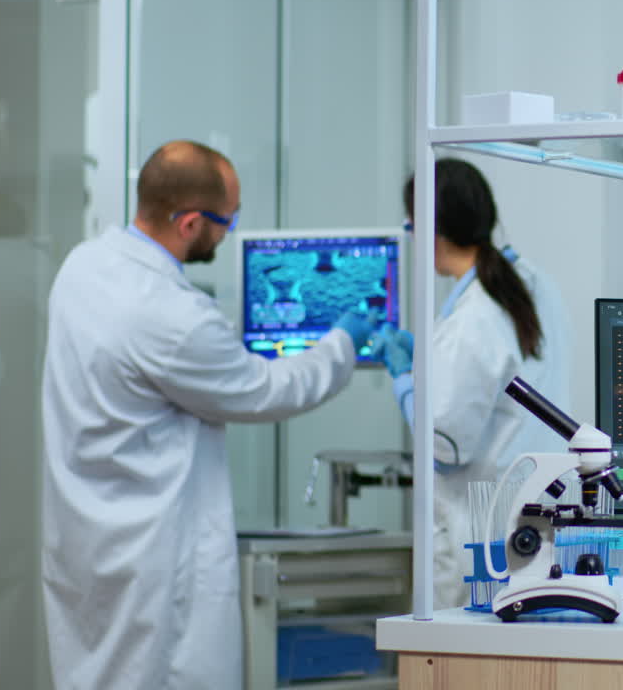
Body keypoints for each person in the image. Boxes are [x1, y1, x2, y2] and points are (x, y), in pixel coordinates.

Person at [41, 140, 381, 690]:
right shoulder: (171, 314)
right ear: (190, 223)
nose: (228, 234)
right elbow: (267, 390)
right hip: (154, 562)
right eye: (228, 221)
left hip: (89, 541)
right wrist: (343, 342)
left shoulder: (83, 267)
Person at [372, 158, 570, 608]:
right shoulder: (534, 285)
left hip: (482, 533)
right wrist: (428, 367)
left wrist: (404, 382)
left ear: (430, 230)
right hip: (536, 515)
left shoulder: (474, 318)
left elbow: (444, 444)